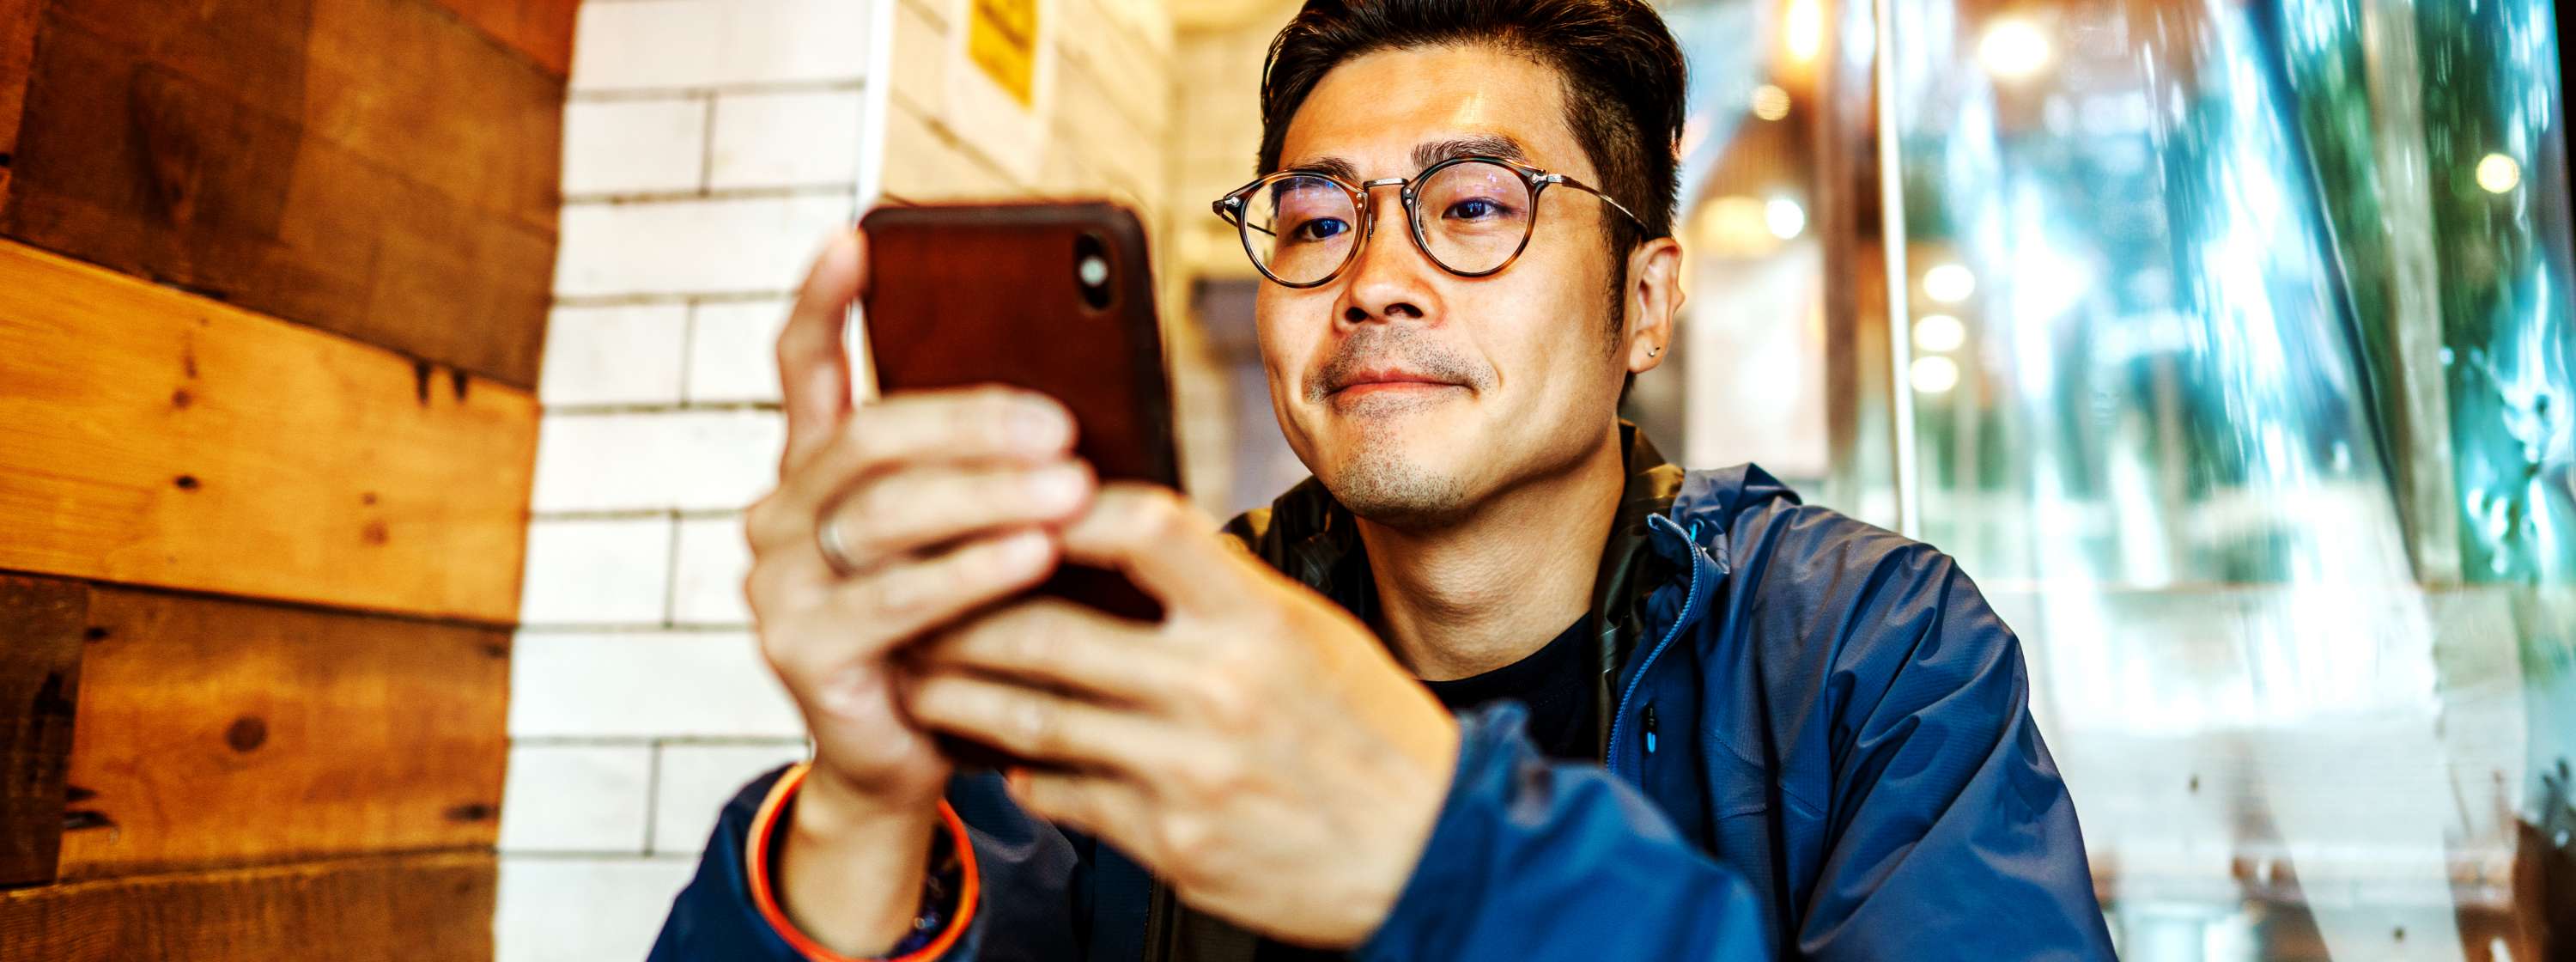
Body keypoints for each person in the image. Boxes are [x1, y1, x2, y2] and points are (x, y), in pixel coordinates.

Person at [651, 0, 2115, 958]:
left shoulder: (1870, 648)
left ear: (1647, 302)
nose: (1375, 282)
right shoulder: (1151, 646)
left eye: (1474, 204)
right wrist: (858, 798)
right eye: (1315, 217)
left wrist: (1440, 849)